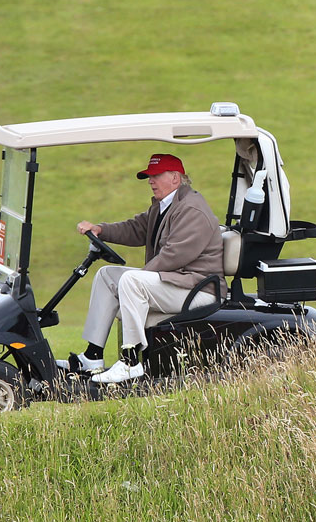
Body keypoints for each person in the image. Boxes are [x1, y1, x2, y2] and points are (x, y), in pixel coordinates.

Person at [60, 153, 227, 383]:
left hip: (198, 290)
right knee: (107, 275)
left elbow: (174, 255)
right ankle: (93, 356)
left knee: (131, 280)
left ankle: (130, 362)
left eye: (156, 175)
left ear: (176, 178)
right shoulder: (164, 206)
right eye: (150, 176)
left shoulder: (193, 210)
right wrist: (101, 230)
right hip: (178, 282)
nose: (150, 180)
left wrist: (136, 279)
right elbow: (136, 229)